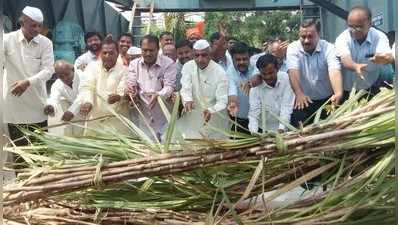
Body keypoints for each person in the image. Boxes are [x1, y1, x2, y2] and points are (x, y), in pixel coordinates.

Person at [3, 6, 55, 146]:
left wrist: (28, 82)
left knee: (40, 149)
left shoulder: (45, 43)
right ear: (22, 23)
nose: (37, 29)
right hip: (14, 103)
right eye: (33, 25)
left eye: (40, 26)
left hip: (37, 104)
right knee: (19, 152)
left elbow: (48, 70)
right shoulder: (7, 40)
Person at [286, 19, 343, 128]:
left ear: (319, 34)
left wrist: (338, 93)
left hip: (326, 101)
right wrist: (298, 92)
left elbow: (334, 70)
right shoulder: (293, 48)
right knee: (299, 131)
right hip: (303, 100)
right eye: (303, 37)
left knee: (329, 132)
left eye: (310, 36)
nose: (306, 40)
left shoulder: (329, 48)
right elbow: (293, 71)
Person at [335, 6, 394, 100]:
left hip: (371, 87)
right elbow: (345, 59)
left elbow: (387, 56)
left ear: (370, 24)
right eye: (350, 26)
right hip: (347, 91)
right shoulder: (342, 38)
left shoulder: (379, 37)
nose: (354, 30)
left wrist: (386, 59)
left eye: (358, 26)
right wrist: (355, 66)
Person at [126, 35, 176, 141]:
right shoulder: (134, 65)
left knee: (166, 148)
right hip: (143, 118)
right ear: (141, 50)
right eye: (145, 50)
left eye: (151, 50)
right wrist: (132, 93)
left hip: (164, 117)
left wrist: (159, 95)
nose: (148, 53)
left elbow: (170, 86)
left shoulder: (168, 63)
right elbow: (131, 85)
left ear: (158, 49)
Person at [177, 39, 229, 139]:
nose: (200, 59)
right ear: (193, 54)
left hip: (214, 117)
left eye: (204, 55)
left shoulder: (220, 72)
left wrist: (211, 110)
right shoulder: (188, 66)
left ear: (210, 54)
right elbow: (185, 88)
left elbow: (223, 101)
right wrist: (187, 100)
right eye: (197, 55)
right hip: (193, 115)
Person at [78, 37, 130, 135]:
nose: (107, 56)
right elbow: (86, 86)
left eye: (111, 53)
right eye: (104, 53)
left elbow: (123, 90)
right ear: (100, 54)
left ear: (117, 53)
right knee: (94, 149)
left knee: (117, 149)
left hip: (117, 122)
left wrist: (119, 97)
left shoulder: (124, 70)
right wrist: (88, 102)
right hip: (95, 120)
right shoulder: (92, 67)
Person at [248, 54, 295, 133]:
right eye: (264, 74)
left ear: (277, 69)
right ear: (259, 72)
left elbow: (286, 107)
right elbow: (254, 114)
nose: (267, 77)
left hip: (284, 126)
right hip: (264, 128)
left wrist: (281, 129)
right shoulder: (255, 88)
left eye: (270, 73)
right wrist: (254, 133)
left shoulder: (286, 79)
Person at [44, 60, 83, 136]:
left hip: (89, 108)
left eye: (67, 74)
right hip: (73, 111)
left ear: (73, 70)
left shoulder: (82, 76)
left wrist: (72, 111)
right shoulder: (57, 84)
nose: (65, 78)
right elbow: (54, 98)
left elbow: (83, 96)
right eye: (61, 76)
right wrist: (51, 106)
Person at [226, 42, 256, 134]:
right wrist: (232, 104)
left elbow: (258, 77)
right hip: (239, 120)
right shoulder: (229, 73)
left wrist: (250, 83)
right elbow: (232, 91)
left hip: (259, 120)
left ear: (249, 57)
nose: (242, 62)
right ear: (232, 59)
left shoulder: (257, 66)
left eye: (244, 59)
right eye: (238, 60)